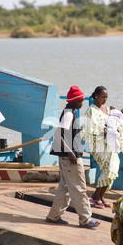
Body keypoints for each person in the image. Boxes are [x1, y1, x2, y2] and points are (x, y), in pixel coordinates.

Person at [46, 85, 100, 229]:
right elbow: (58, 135)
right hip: (70, 158)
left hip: (68, 158)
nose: (82, 103)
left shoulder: (71, 112)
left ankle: (53, 216)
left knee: (65, 189)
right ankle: (85, 219)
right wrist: (70, 152)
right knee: (79, 188)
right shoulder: (69, 113)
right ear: (73, 101)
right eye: (80, 101)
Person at [81, 86, 123, 208]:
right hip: (98, 145)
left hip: (109, 144)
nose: (105, 99)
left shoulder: (106, 108)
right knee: (108, 168)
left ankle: (101, 196)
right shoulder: (91, 111)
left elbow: (111, 121)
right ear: (96, 96)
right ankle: (95, 197)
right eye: (103, 97)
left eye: (106, 97)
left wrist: (114, 113)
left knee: (114, 168)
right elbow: (89, 130)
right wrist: (105, 132)